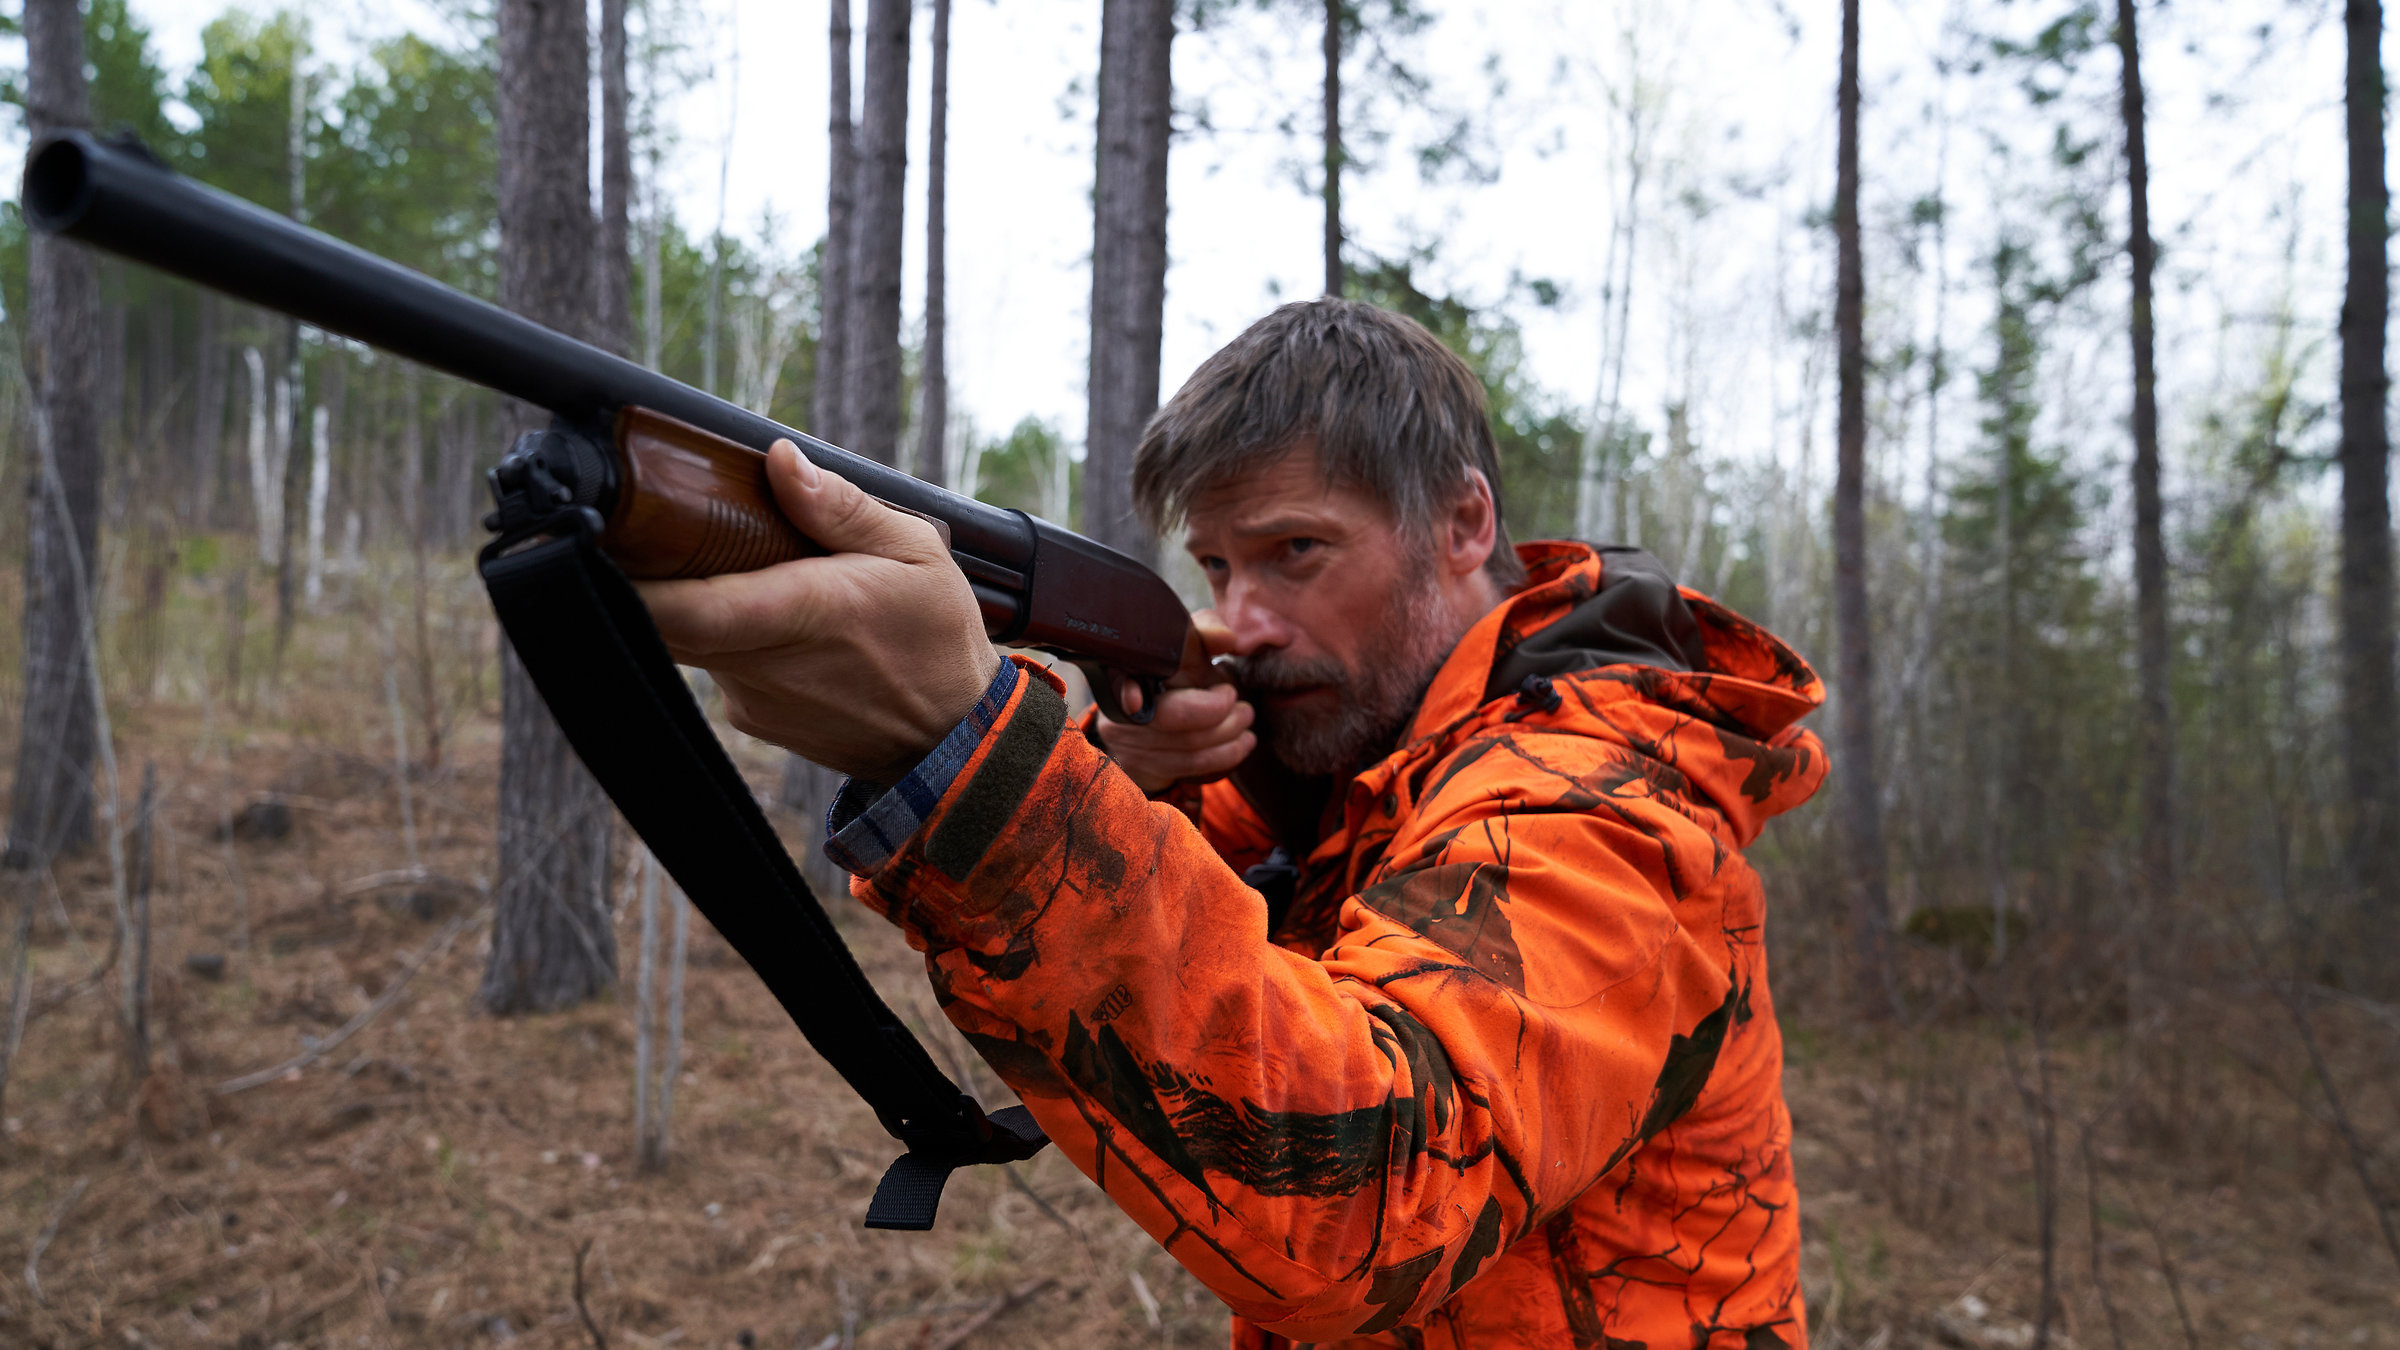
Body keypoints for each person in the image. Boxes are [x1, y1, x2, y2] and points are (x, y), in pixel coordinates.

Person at [640, 299, 1827, 1348]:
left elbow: (1369, 1200)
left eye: (1295, 552)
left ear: (1465, 526)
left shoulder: (1607, 804)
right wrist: (1126, 781)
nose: (1243, 620)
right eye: (1214, 565)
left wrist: (978, 763)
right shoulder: (1349, 762)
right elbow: (1207, 955)